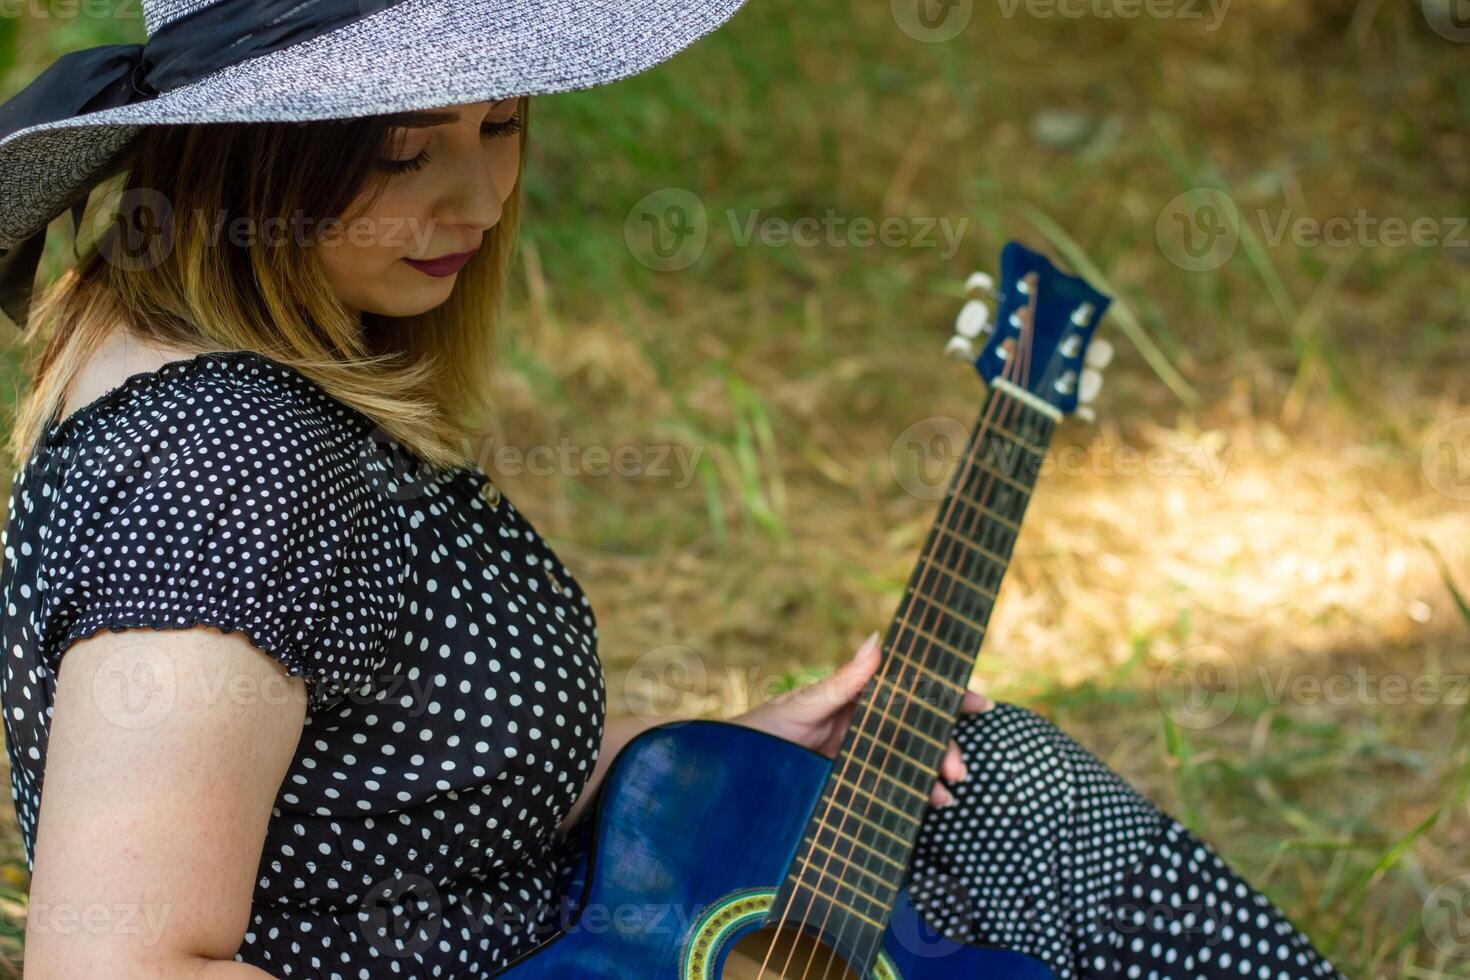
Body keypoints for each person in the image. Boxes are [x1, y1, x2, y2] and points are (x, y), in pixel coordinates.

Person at [0, 1, 1347, 977]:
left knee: (985, 779)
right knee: (1014, 816)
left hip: (580, 926)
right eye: (406, 153)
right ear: (249, 156)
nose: (476, 194)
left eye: (503, 126)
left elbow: (365, 766)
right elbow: (116, 967)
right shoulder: (225, 468)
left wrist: (718, 760)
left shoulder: (242, 369)